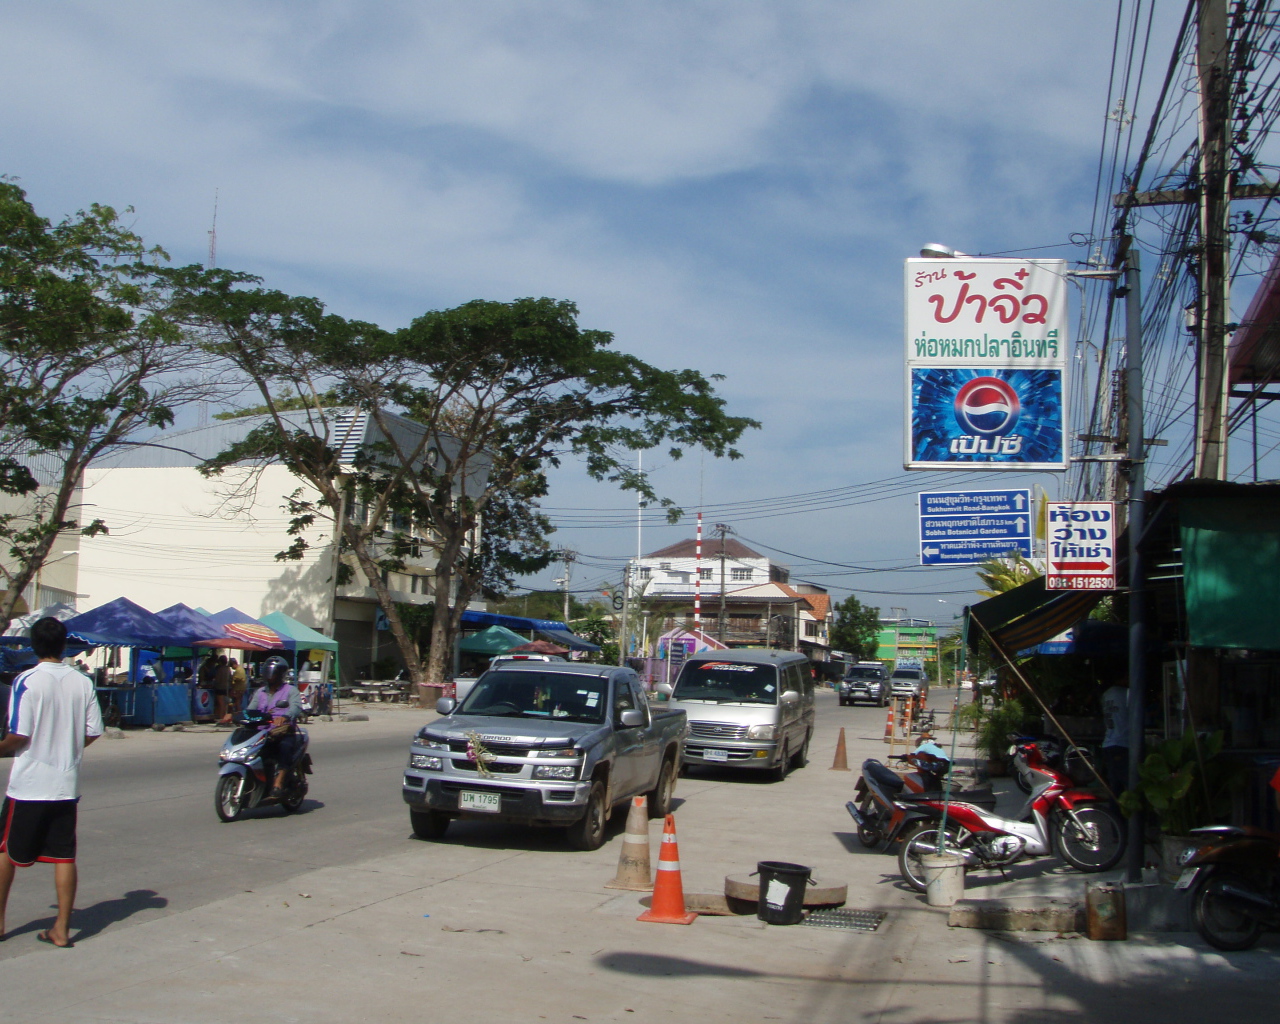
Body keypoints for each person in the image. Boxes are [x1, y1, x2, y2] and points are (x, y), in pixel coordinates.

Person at [0, 617, 104, 947]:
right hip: (65, 785)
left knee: (4, 850)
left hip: (29, 784)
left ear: (34, 645)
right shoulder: (82, 682)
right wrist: (68, 748)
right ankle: (62, 928)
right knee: (64, 856)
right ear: (63, 645)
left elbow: (19, 735)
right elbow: (93, 731)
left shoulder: (27, 681)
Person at [248, 662, 303, 797]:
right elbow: (251, 709)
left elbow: (296, 707)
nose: (270, 678)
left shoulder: (290, 690)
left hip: (283, 732)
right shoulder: (260, 692)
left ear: (280, 675)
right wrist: (236, 715)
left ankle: (278, 781)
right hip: (261, 732)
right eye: (268, 674)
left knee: (285, 747)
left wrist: (285, 717)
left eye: (273, 675)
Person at [1100, 679, 1130, 797]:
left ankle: (1115, 812)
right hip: (1122, 742)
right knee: (1127, 783)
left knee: (1114, 786)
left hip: (1109, 742)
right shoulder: (1126, 693)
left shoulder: (1106, 694)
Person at [213, 655, 232, 725]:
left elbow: (217, 679)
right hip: (226, 688)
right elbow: (230, 678)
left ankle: (221, 718)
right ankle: (223, 717)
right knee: (224, 704)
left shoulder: (220, 669)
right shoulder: (228, 669)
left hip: (220, 687)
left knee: (221, 704)